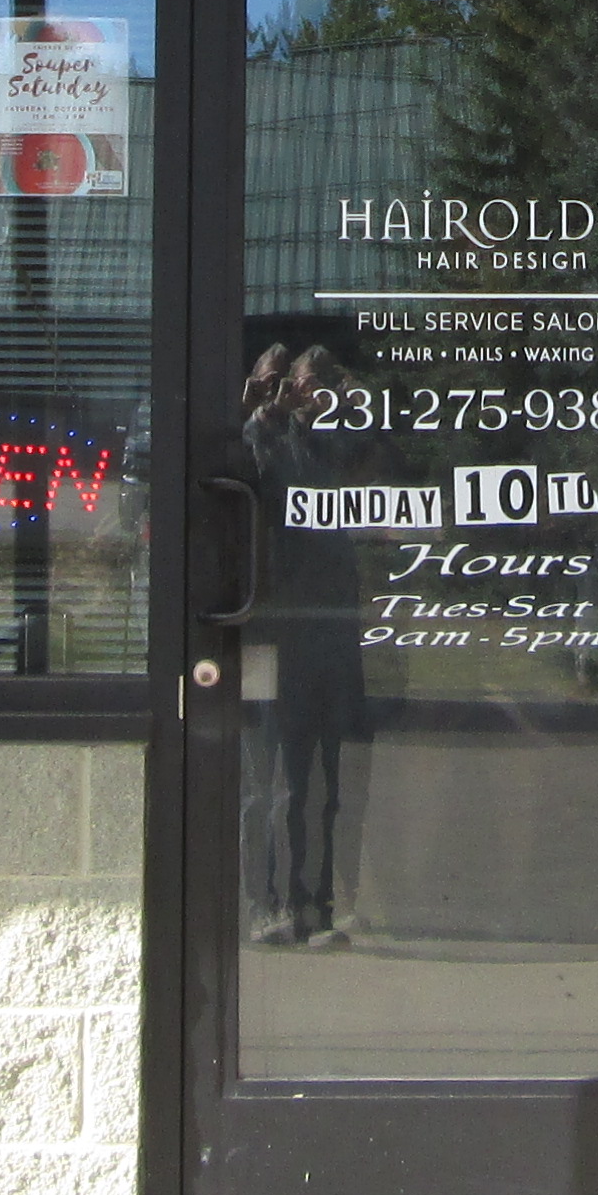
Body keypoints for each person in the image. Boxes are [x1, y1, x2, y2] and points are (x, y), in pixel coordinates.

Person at [237, 339, 371, 949]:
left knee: (335, 778)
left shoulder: (340, 443)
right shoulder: (274, 442)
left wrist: (347, 409)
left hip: (336, 630)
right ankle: (274, 903)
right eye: (302, 384)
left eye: (323, 384)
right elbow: (251, 470)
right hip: (281, 628)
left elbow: (373, 470)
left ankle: (326, 903)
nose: (311, 396)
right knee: (279, 777)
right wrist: (268, 411)